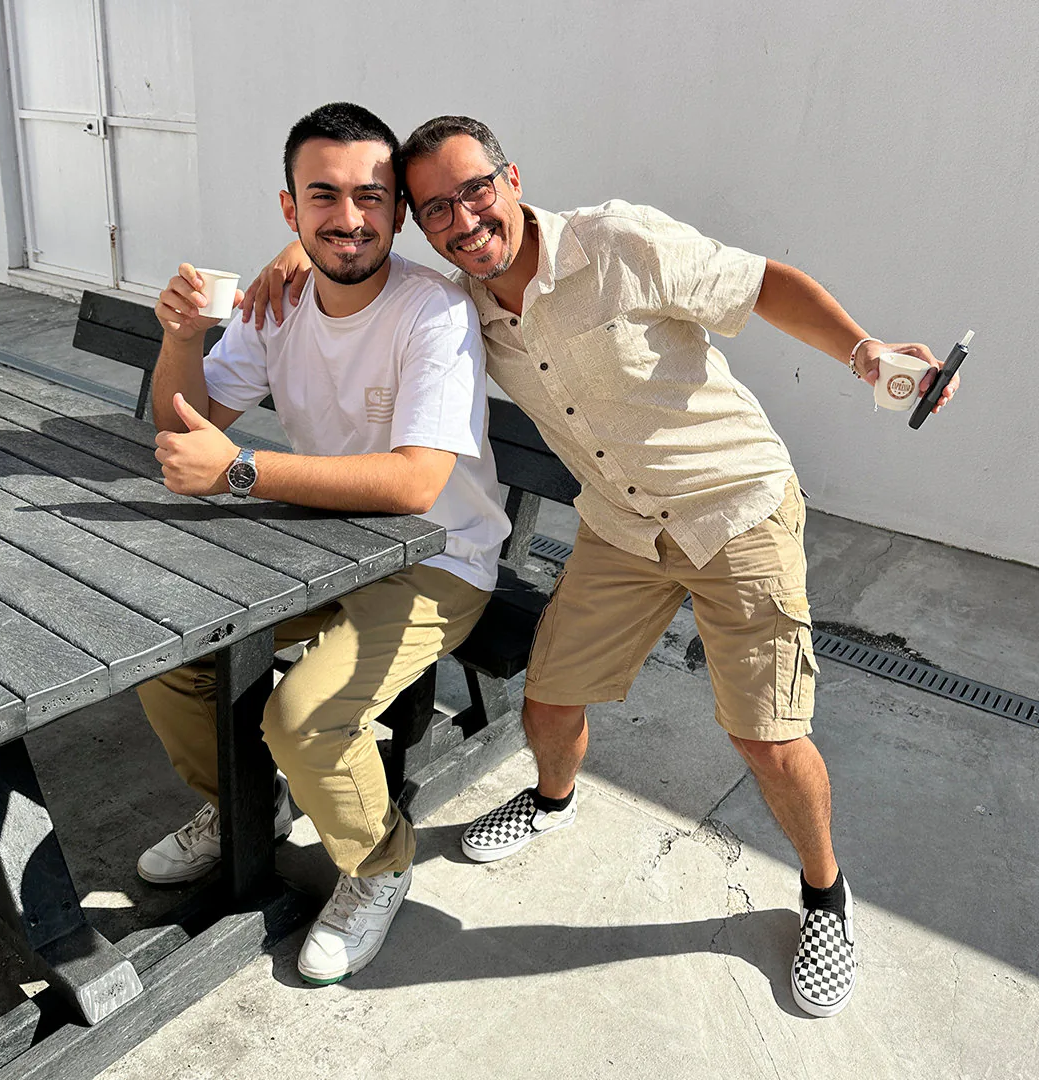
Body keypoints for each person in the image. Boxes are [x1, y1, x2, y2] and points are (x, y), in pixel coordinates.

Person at [241, 115, 959, 1017]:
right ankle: (551, 800)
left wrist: (864, 351)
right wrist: (294, 255)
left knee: (765, 739)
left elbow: (761, 283)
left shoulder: (617, 241)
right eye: (438, 208)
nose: (464, 218)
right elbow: (354, 254)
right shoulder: (458, 298)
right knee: (549, 699)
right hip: (622, 527)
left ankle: (824, 893)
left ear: (512, 177)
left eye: (476, 189)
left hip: (733, 510)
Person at [138, 103, 509, 987]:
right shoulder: (281, 301)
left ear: (397, 211)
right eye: (325, 196)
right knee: (168, 650)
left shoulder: (434, 312)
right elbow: (184, 426)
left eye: (371, 197)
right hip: (320, 540)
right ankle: (242, 808)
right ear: (289, 209)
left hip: (437, 555)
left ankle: (379, 862)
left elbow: (418, 484)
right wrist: (182, 337)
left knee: (303, 716)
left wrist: (240, 472)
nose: (349, 218)